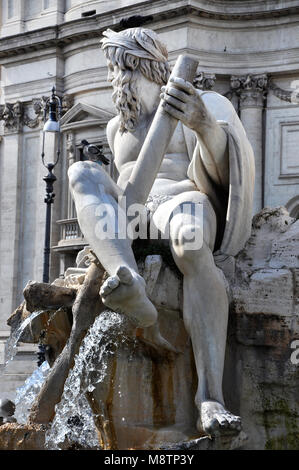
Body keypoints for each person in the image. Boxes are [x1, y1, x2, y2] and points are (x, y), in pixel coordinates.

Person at [68, 27, 255, 437]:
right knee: (81, 170)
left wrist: (204, 125)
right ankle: (128, 279)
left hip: (183, 199)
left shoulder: (201, 102)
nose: (118, 82)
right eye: (114, 72)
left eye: (124, 70)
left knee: (190, 243)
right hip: (133, 210)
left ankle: (209, 396)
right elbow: (125, 189)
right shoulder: (118, 127)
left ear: (150, 68)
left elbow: (229, 172)